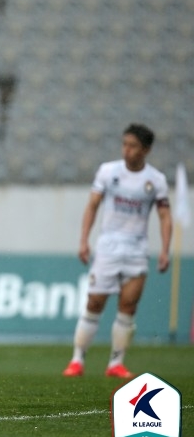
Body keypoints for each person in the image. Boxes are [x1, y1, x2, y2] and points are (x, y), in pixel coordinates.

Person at [63, 123, 172, 378]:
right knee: (94, 302)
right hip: (108, 248)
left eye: (133, 146)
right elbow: (92, 206)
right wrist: (83, 240)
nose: (127, 150)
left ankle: (116, 363)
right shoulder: (108, 171)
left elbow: (165, 216)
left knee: (128, 306)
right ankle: (77, 359)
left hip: (137, 250)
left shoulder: (155, 180)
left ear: (145, 150)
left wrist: (165, 250)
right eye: (124, 144)